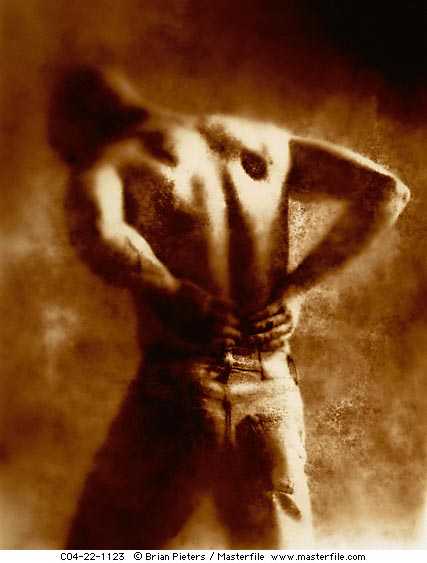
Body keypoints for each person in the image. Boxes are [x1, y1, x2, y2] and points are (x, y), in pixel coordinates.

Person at [49, 66, 410, 549]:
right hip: (269, 392)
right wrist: (296, 289)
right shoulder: (259, 142)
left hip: (178, 392)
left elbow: (98, 232)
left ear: (80, 121)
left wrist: (171, 291)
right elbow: (386, 190)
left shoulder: (113, 163)